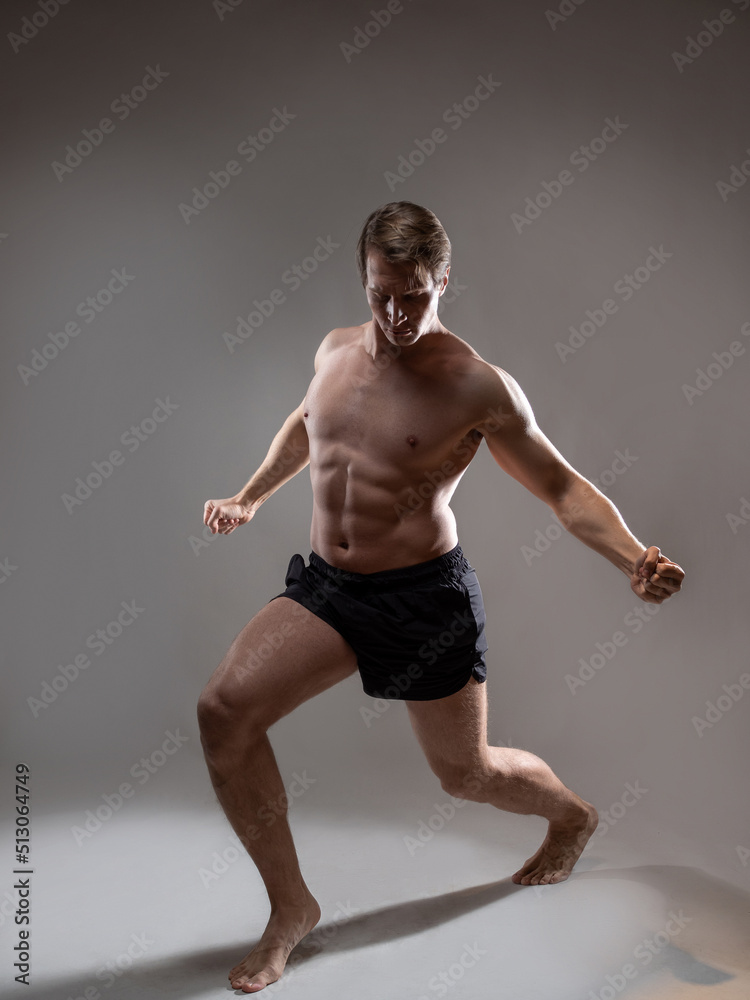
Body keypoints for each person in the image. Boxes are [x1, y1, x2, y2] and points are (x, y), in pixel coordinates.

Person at [197, 201, 685, 993]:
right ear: (364, 278)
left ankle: (571, 816)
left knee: (466, 775)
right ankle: (292, 909)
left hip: (424, 600)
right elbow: (306, 422)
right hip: (330, 589)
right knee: (223, 712)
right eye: (382, 293)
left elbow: (562, 487)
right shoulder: (333, 352)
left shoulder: (475, 386)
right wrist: (251, 496)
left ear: (444, 280)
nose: (396, 314)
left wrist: (634, 557)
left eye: (415, 295)